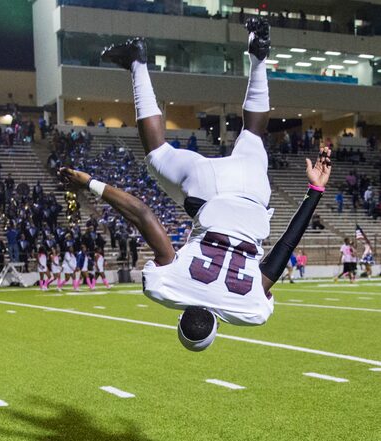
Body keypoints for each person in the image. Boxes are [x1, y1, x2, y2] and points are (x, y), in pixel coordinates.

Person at [61, 17, 332, 351]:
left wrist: (315, 190)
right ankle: (136, 62)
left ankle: (259, 59)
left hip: (253, 193)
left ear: (217, 327)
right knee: (158, 154)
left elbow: (285, 247)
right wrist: (90, 183)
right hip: (208, 192)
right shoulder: (168, 288)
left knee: (253, 133)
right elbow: (144, 215)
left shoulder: (251, 310)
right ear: (180, 318)